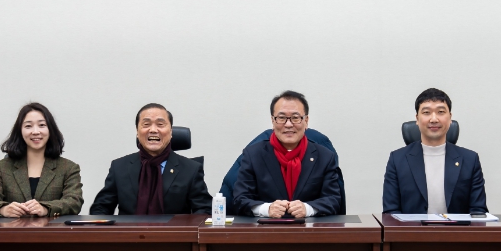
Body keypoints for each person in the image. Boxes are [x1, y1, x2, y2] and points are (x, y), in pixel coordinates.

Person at [233, 90, 341, 218]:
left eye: (295, 118)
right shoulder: (253, 155)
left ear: (306, 121)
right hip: (266, 228)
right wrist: (267, 209)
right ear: (273, 121)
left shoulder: (325, 157)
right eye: (281, 118)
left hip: (309, 228)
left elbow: (334, 199)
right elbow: (240, 199)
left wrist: (308, 209)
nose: (288, 124)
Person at [90, 103, 212, 215]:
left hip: (173, 232)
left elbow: (204, 211)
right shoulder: (119, 167)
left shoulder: (191, 169)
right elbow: (101, 208)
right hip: (129, 232)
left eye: (160, 124)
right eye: (146, 124)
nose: (153, 130)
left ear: (171, 132)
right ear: (137, 131)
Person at [383, 88, 487, 214]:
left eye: (441, 112)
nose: (434, 119)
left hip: (457, 228)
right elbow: (391, 212)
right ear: (417, 119)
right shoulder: (397, 160)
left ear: (450, 118)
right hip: (412, 228)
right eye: (426, 112)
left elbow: (478, 211)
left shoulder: (470, 160)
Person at [0, 102, 83, 217]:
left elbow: (74, 202)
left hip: (52, 228)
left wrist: (45, 208)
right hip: (13, 228)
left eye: (42, 125)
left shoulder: (68, 168)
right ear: (20, 131)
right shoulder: (2, 167)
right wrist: (3, 209)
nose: (35, 132)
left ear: (50, 129)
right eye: (28, 126)